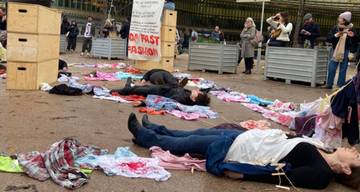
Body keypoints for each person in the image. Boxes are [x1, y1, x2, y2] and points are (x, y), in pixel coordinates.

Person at [127, 113, 360, 190]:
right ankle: (155, 128)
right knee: (193, 133)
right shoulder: (324, 148)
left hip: (237, 151)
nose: (354, 150)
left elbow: (281, 176)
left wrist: (244, 175)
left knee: (186, 144)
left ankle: (143, 136)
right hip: (244, 138)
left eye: (357, 156)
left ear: (348, 169)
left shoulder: (321, 174)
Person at [111, 77, 210, 106]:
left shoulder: (180, 99)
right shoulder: (188, 94)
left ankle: (124, 86)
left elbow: (164, 102)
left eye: (198, 93)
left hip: (157, 91)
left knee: (132, 90)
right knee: (138, 88)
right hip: (162, 87)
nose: (197, 90)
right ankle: (129, 84)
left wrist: (143, 103)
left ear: (194, 99)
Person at [325, 12, 357, 89]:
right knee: (331, 67)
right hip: (335, 50)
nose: (338, 19)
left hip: (346, 51)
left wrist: (353, 36)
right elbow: (328, 39)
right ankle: (329, 84)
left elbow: (356, 41)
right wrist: (336, 35)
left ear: (344, 20)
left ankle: (340, 86)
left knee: (343, 69)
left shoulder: (351, 29)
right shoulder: (335, 28)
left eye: (340, 18)